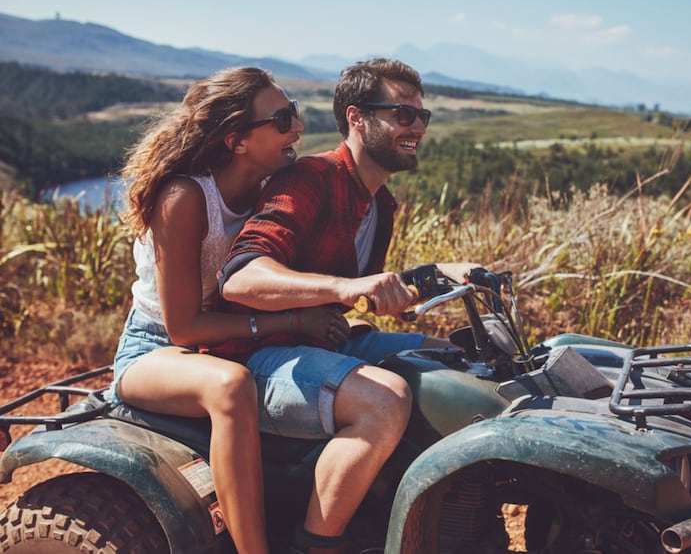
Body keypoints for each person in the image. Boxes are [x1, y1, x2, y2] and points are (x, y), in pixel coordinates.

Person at [214, 58, 474, 554]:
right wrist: (341, 289)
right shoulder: (312, 177)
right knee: (385, 400)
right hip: (257, 352)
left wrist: (436, 274)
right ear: (356, 118)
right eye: (402, 114)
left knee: (452, 365)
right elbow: (242, 276)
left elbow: (365, 291)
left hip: (319, 340)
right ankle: (317, 544)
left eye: (423, 116)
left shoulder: (380, 204)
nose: (417, 126)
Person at [109, 66, 348, 554]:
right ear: (237, 140)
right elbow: (183, 327)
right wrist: (293, 321)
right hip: (156, 348)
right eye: (283, 119)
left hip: (228, 339)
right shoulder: (187, 197)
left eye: (295, 113)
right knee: (231, 386)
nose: (298, 127)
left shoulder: (268, 187)